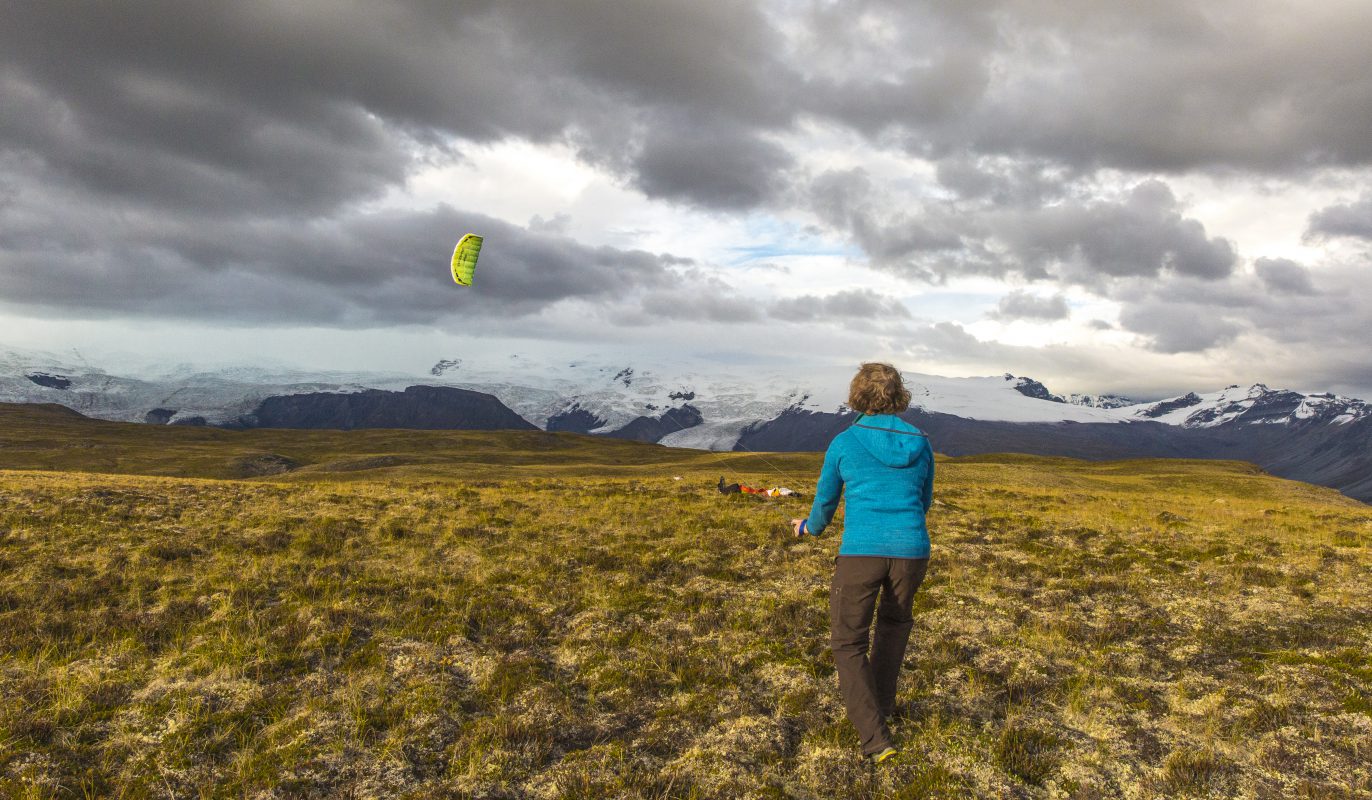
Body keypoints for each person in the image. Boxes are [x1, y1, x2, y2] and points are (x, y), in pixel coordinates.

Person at [790, 362, 934, 764]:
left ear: (857, 395)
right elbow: (924, 501)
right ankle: (882, 708)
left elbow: (825, 503)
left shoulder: (844, 442)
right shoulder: (921, 441)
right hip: (912, 551)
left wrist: (808, 529)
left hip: (860, 553)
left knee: (847, 641)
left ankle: (874, 738)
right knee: (894, 626)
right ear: (899, 394)